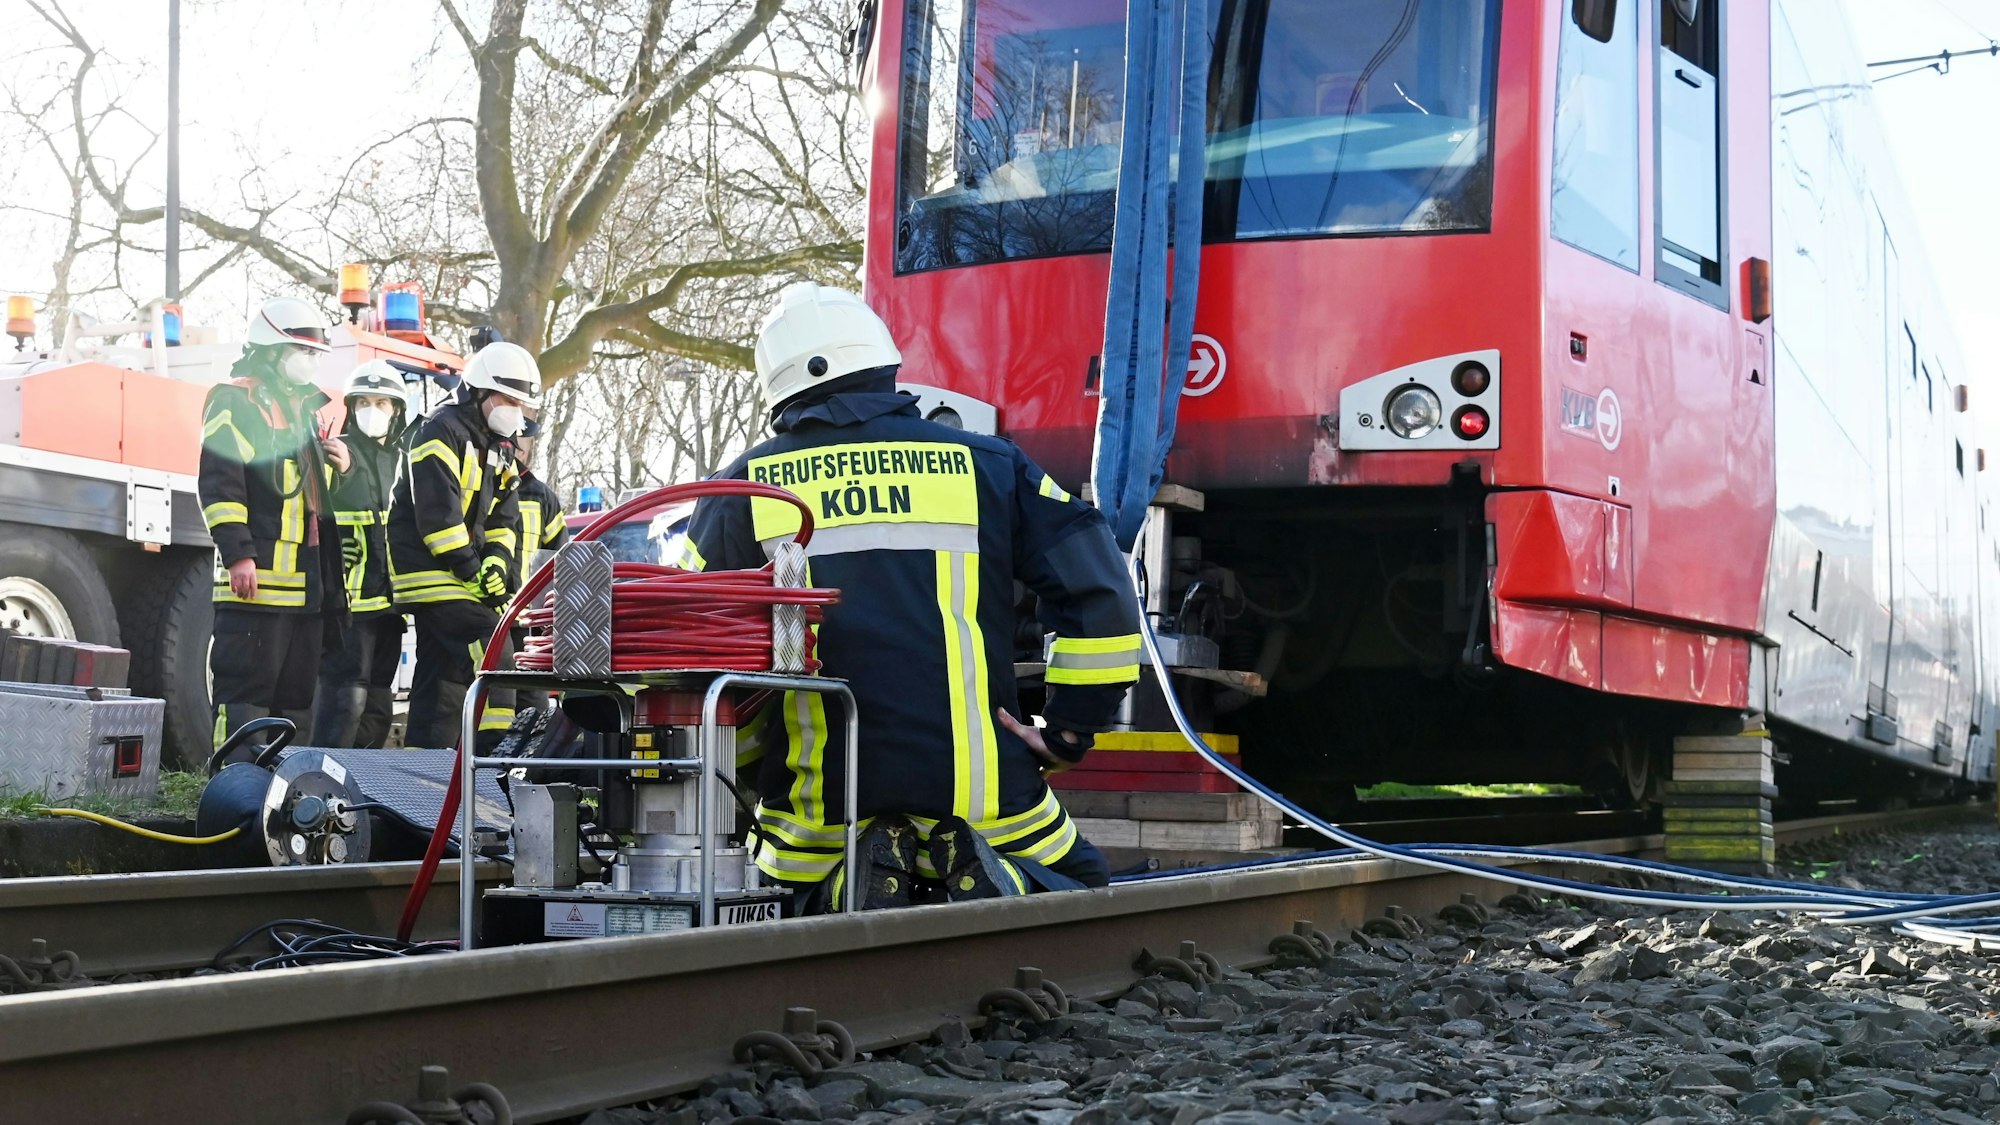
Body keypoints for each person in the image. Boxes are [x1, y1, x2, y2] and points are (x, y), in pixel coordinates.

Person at [681, 283, 1141, 913]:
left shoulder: (742, 490)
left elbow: (688, 650)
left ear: (779, 389)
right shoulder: (990, 465)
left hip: (819, 817)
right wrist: (1069, 729)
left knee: (781, 897)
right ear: (885, 367)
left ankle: (843, 887)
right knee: (1082, 884)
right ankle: (1002, 879)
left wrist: (750, 766)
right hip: (987, 807)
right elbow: (1101, 592)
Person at [199, 296, 351, 756]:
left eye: (315, 353)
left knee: (296, 701)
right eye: (301, 351)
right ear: (269, 349)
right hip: (258, 585)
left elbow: (311, 502)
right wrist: (238, 554)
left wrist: (343, 468)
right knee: (245, 694)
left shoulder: (306, 412)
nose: (310, 361)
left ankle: (282, 786)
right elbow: (220, 484)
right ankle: (234, 781)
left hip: (306, 591)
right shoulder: (234, 401)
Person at [386, 340, 537, 749]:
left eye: (522, 405)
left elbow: (505, 519)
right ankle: (494, 752)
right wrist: (473, 572)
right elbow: (438, 519)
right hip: (429, 572)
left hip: (460, 574)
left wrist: (497, 563)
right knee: (492, 642)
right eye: (509, 400)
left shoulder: (499, 445)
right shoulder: (438, 430)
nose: (516, 412)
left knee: (443, 677)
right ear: (480, 392)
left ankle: (422, 764)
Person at [312, 360, 409, 748]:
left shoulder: (403, 460)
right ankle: (323, 772)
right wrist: (346, 472)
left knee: (379, 701)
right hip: (349, 603)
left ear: (396, 410)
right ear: (351, 408)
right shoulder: (336, 452)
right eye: (364, 402)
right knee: (345, 698)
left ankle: (364, 776)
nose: (373, 411)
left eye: (381, 403)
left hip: (391, 604)